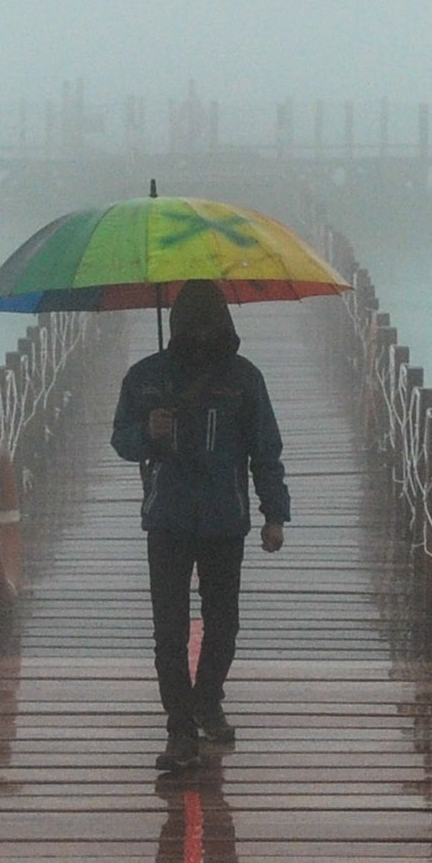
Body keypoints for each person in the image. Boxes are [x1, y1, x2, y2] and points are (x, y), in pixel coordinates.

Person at [111, 279, 290, 776]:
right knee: (168, 631)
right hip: (166, 518)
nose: (202, 331)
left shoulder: (244, 380)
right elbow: (121, 440)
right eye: (194, 322)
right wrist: (149, 431)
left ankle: (208, 699)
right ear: (175, 324)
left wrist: (274, 514)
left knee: (223, 624)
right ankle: (180, 728)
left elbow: (265, 451)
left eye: (211, 321)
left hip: (224, 520)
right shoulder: (146, 378)